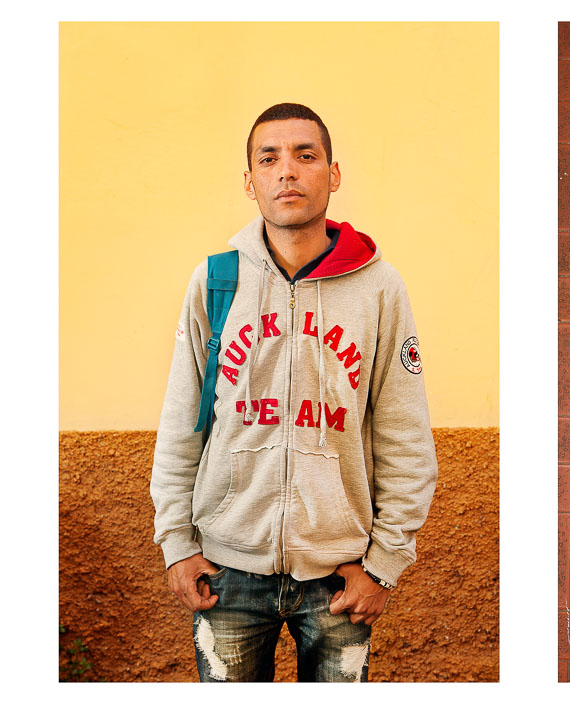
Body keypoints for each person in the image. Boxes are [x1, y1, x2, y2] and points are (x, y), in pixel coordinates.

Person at [149, 103, 438, 682]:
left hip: (338, 575)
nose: (288, 171)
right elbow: (183, 422)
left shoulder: (378, 286)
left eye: (306, 156)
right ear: (250, 181)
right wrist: (176, 545)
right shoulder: (216, 280)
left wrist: (383, 565)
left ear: (333, 174)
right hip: (225, 570)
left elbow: (404, 431)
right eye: (269, 158)